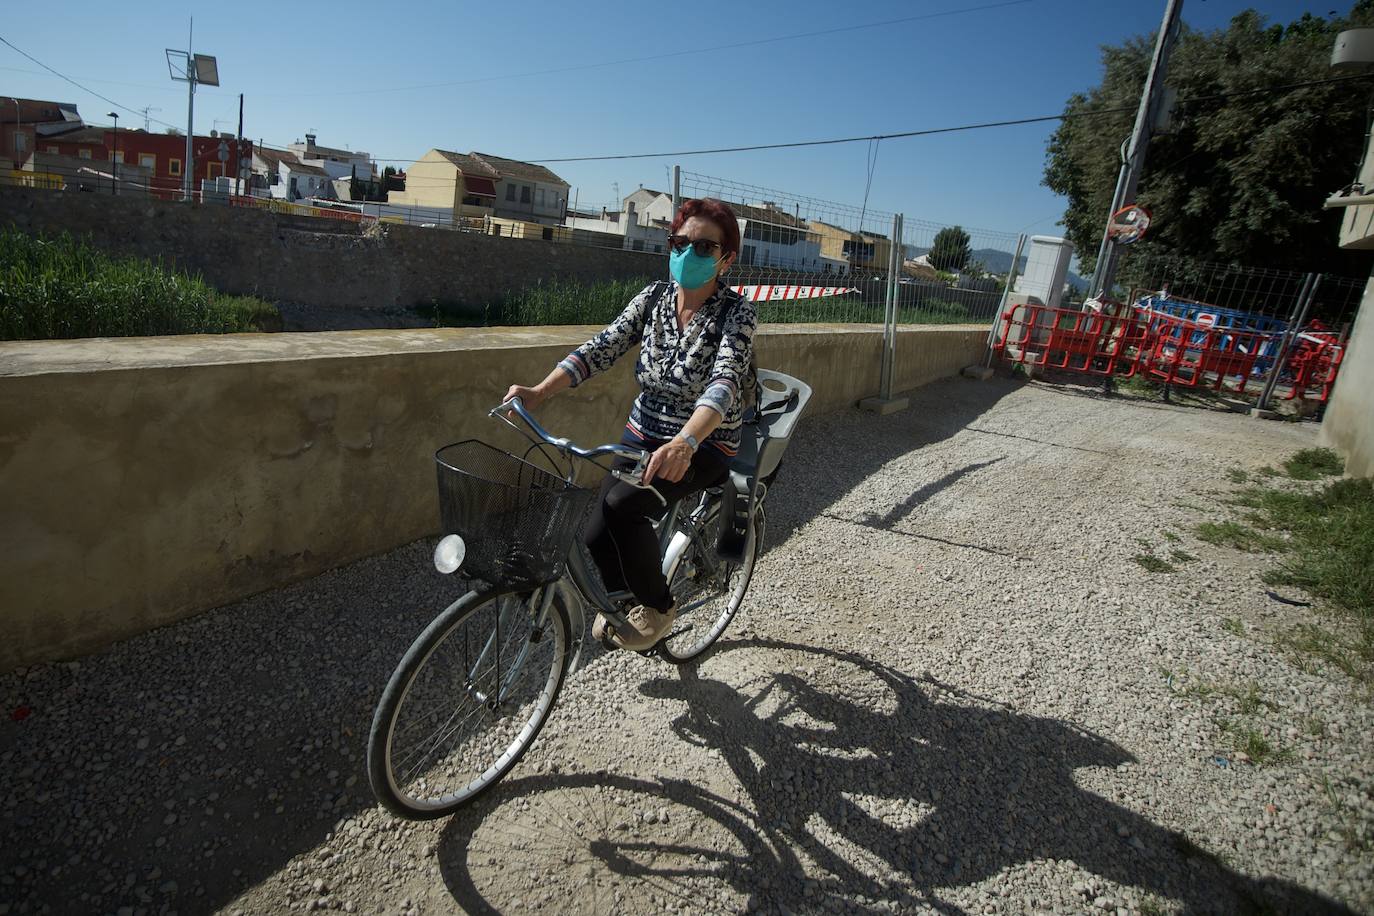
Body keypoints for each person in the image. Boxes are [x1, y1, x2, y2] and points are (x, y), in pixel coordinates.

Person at [503, 198, 758, 651]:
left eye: (704, 247)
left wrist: (685, 442)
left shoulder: (736, 314)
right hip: (644, 431)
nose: (688, 253)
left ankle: (658, 606)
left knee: (623, 507)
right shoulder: (654, 297)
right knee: (595, 533)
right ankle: (625, 604)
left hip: (703, 442)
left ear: (726, 259)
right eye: (680, 243)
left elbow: (724, 383)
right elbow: (602, 347)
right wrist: (540, 391)